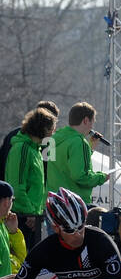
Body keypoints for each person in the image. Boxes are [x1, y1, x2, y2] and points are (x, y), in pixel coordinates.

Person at [4, 108, 56, 252]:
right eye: (52, 129)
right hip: (23, 219)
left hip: (34, 218)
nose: (53, 133)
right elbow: (17, 187)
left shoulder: (36, 150)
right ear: (43, 129)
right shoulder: (23, 149)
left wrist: (37, 212)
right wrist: (30, 213)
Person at [46, 102, 108, 205]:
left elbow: (64, 164)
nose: (92, 126)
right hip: (73, 204)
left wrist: (90, 149)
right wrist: (101, 177)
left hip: (53, 201)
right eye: (92, 122)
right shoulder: (79, 142)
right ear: (86, 120)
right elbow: (80, 177)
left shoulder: (54, 139)